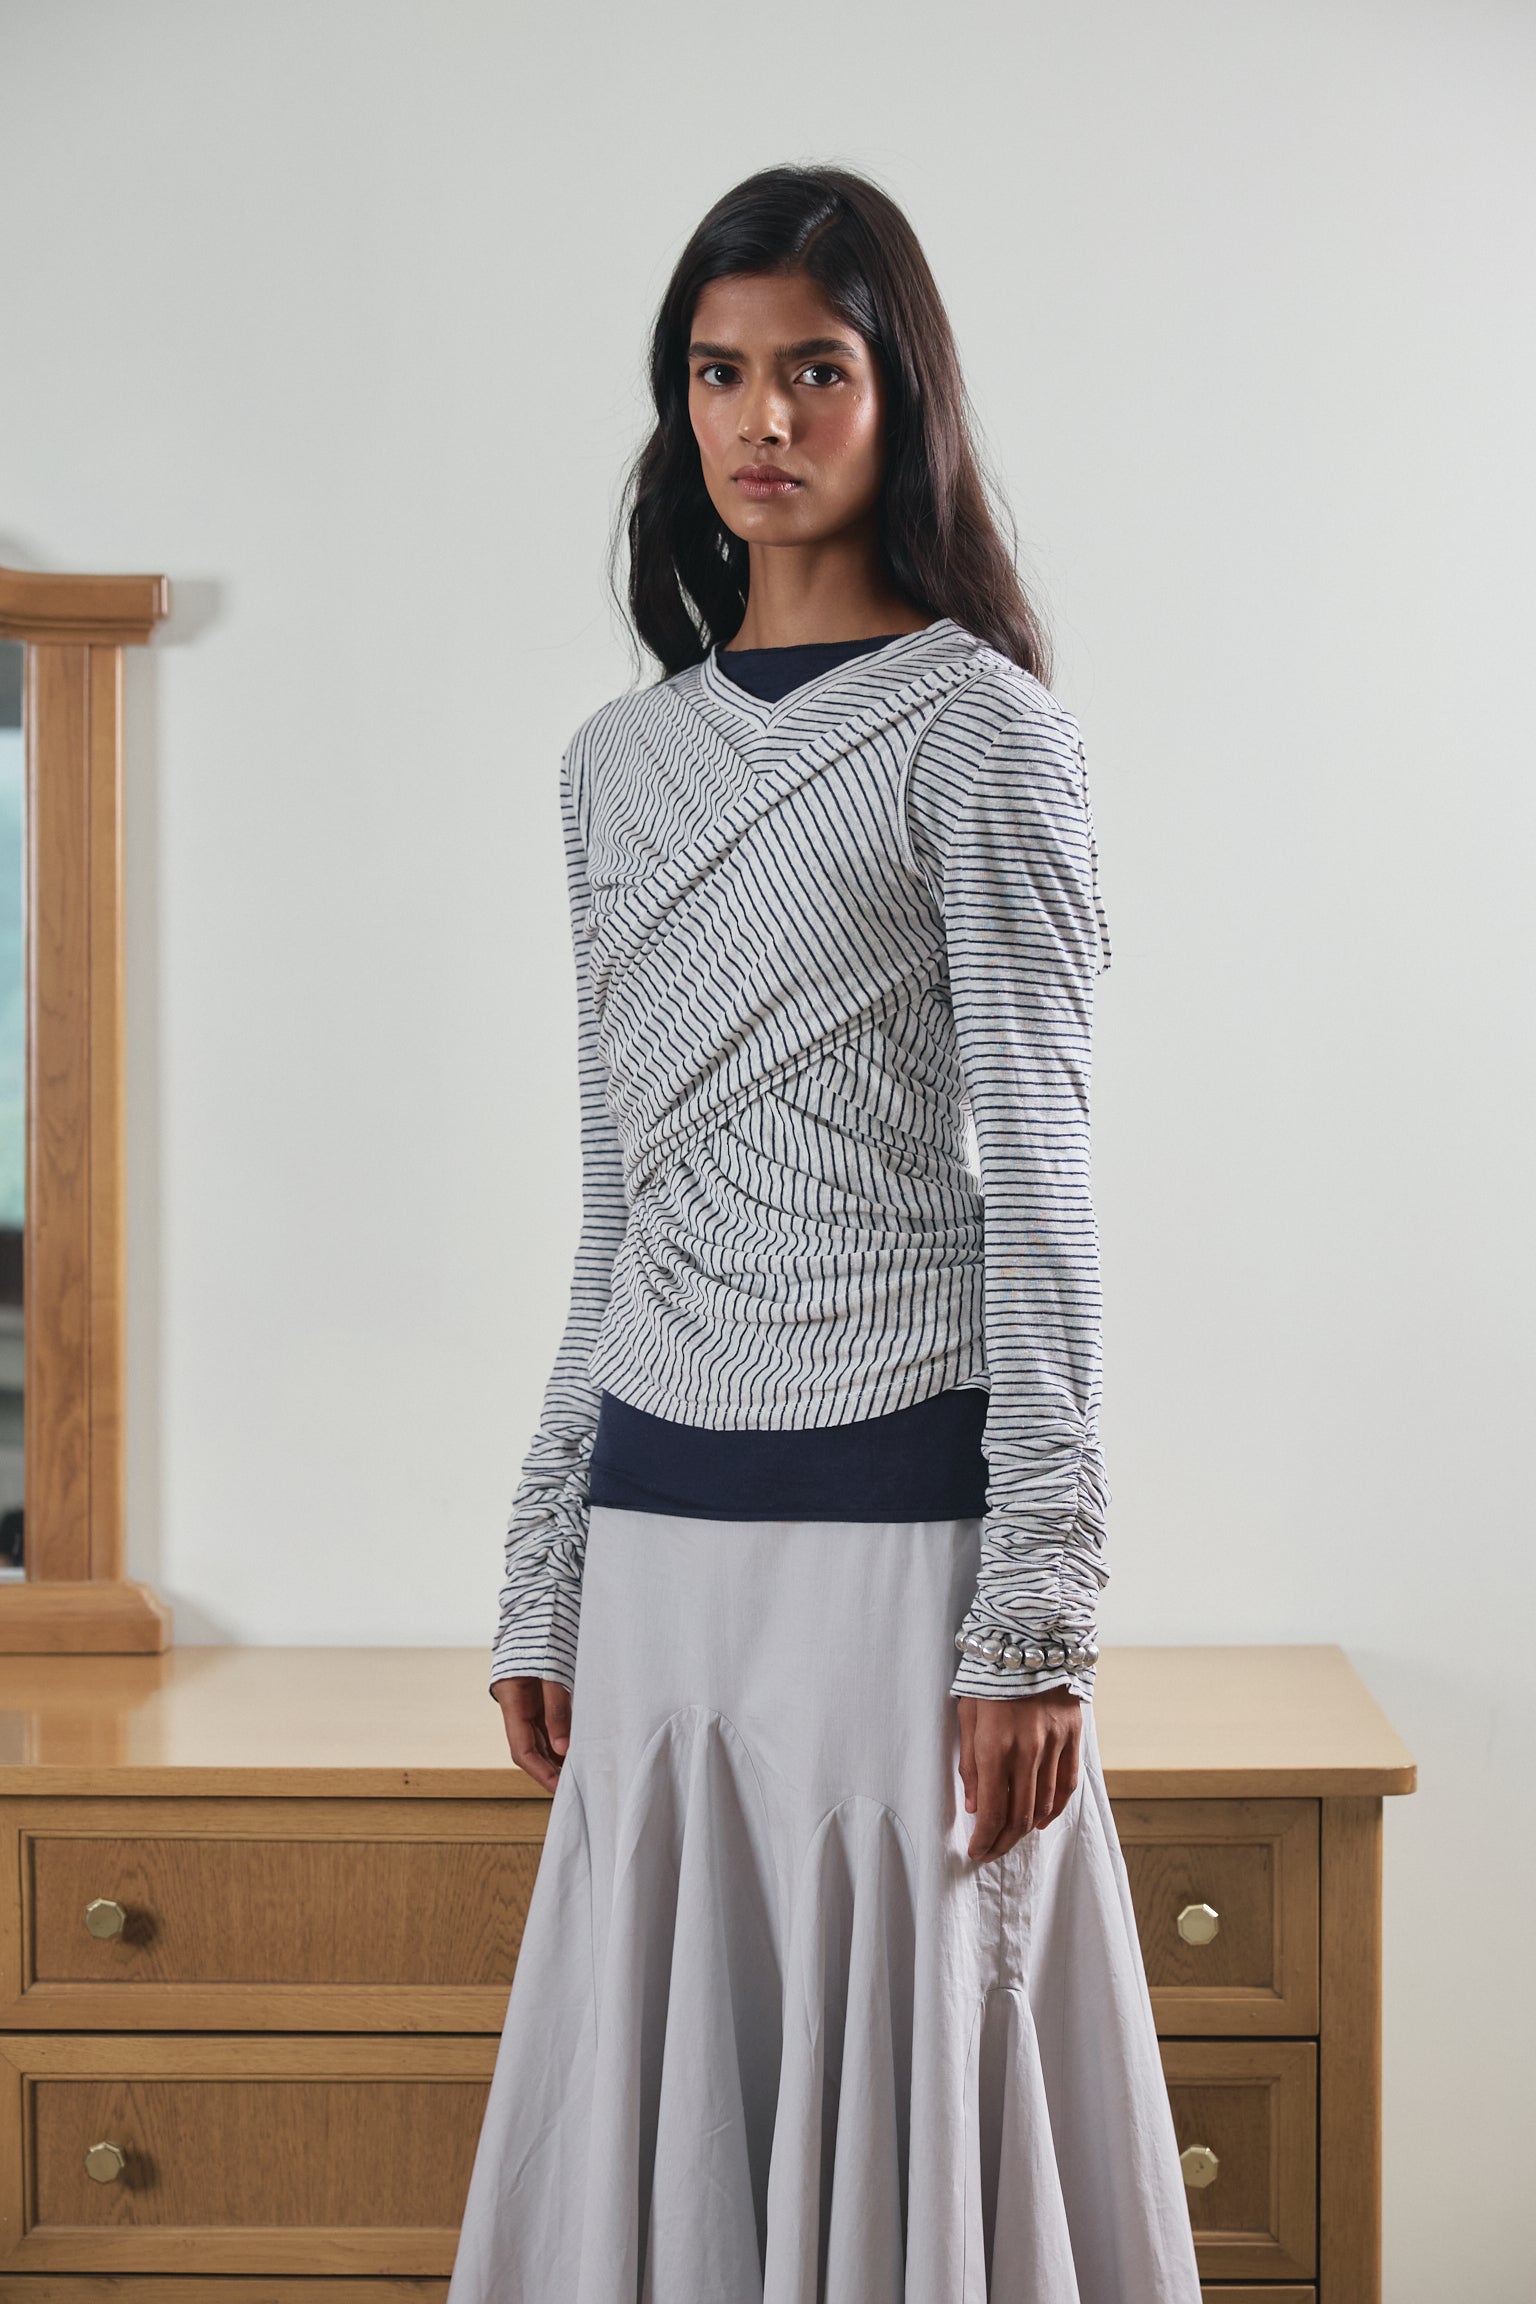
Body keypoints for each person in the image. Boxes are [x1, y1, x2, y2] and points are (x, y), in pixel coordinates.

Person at [447, 162, 1202, 2304]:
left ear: (901, 399)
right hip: (660, 1531)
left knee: (914, 2090)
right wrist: (545, 1548)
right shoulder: (615, 767)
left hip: (900, 1531)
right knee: (677, 2113)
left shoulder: (985, 731)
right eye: (717, 373)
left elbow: (1042, 1179)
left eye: (813, 370)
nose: (760, 418)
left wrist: (1038, 1609)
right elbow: (617, 1189)